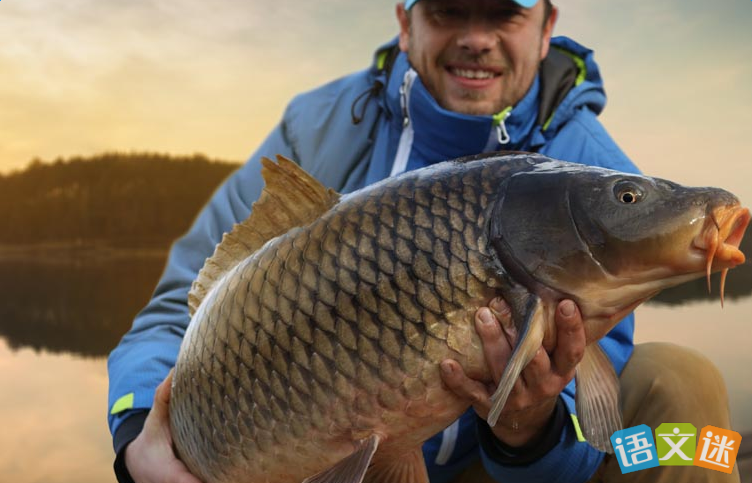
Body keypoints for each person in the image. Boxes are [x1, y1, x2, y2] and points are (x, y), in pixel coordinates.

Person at [108, 1, 740, 482]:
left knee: (685, 394)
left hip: (490, 467)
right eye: (447, 11)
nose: (475, 38)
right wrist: (141, 441)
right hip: (286, 450)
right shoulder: (318, 128)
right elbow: (178, 307)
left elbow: (581, 453)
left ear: (546, 27)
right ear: (406, 25)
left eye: (503, 13)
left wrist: (528, 427)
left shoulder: (586, 163)